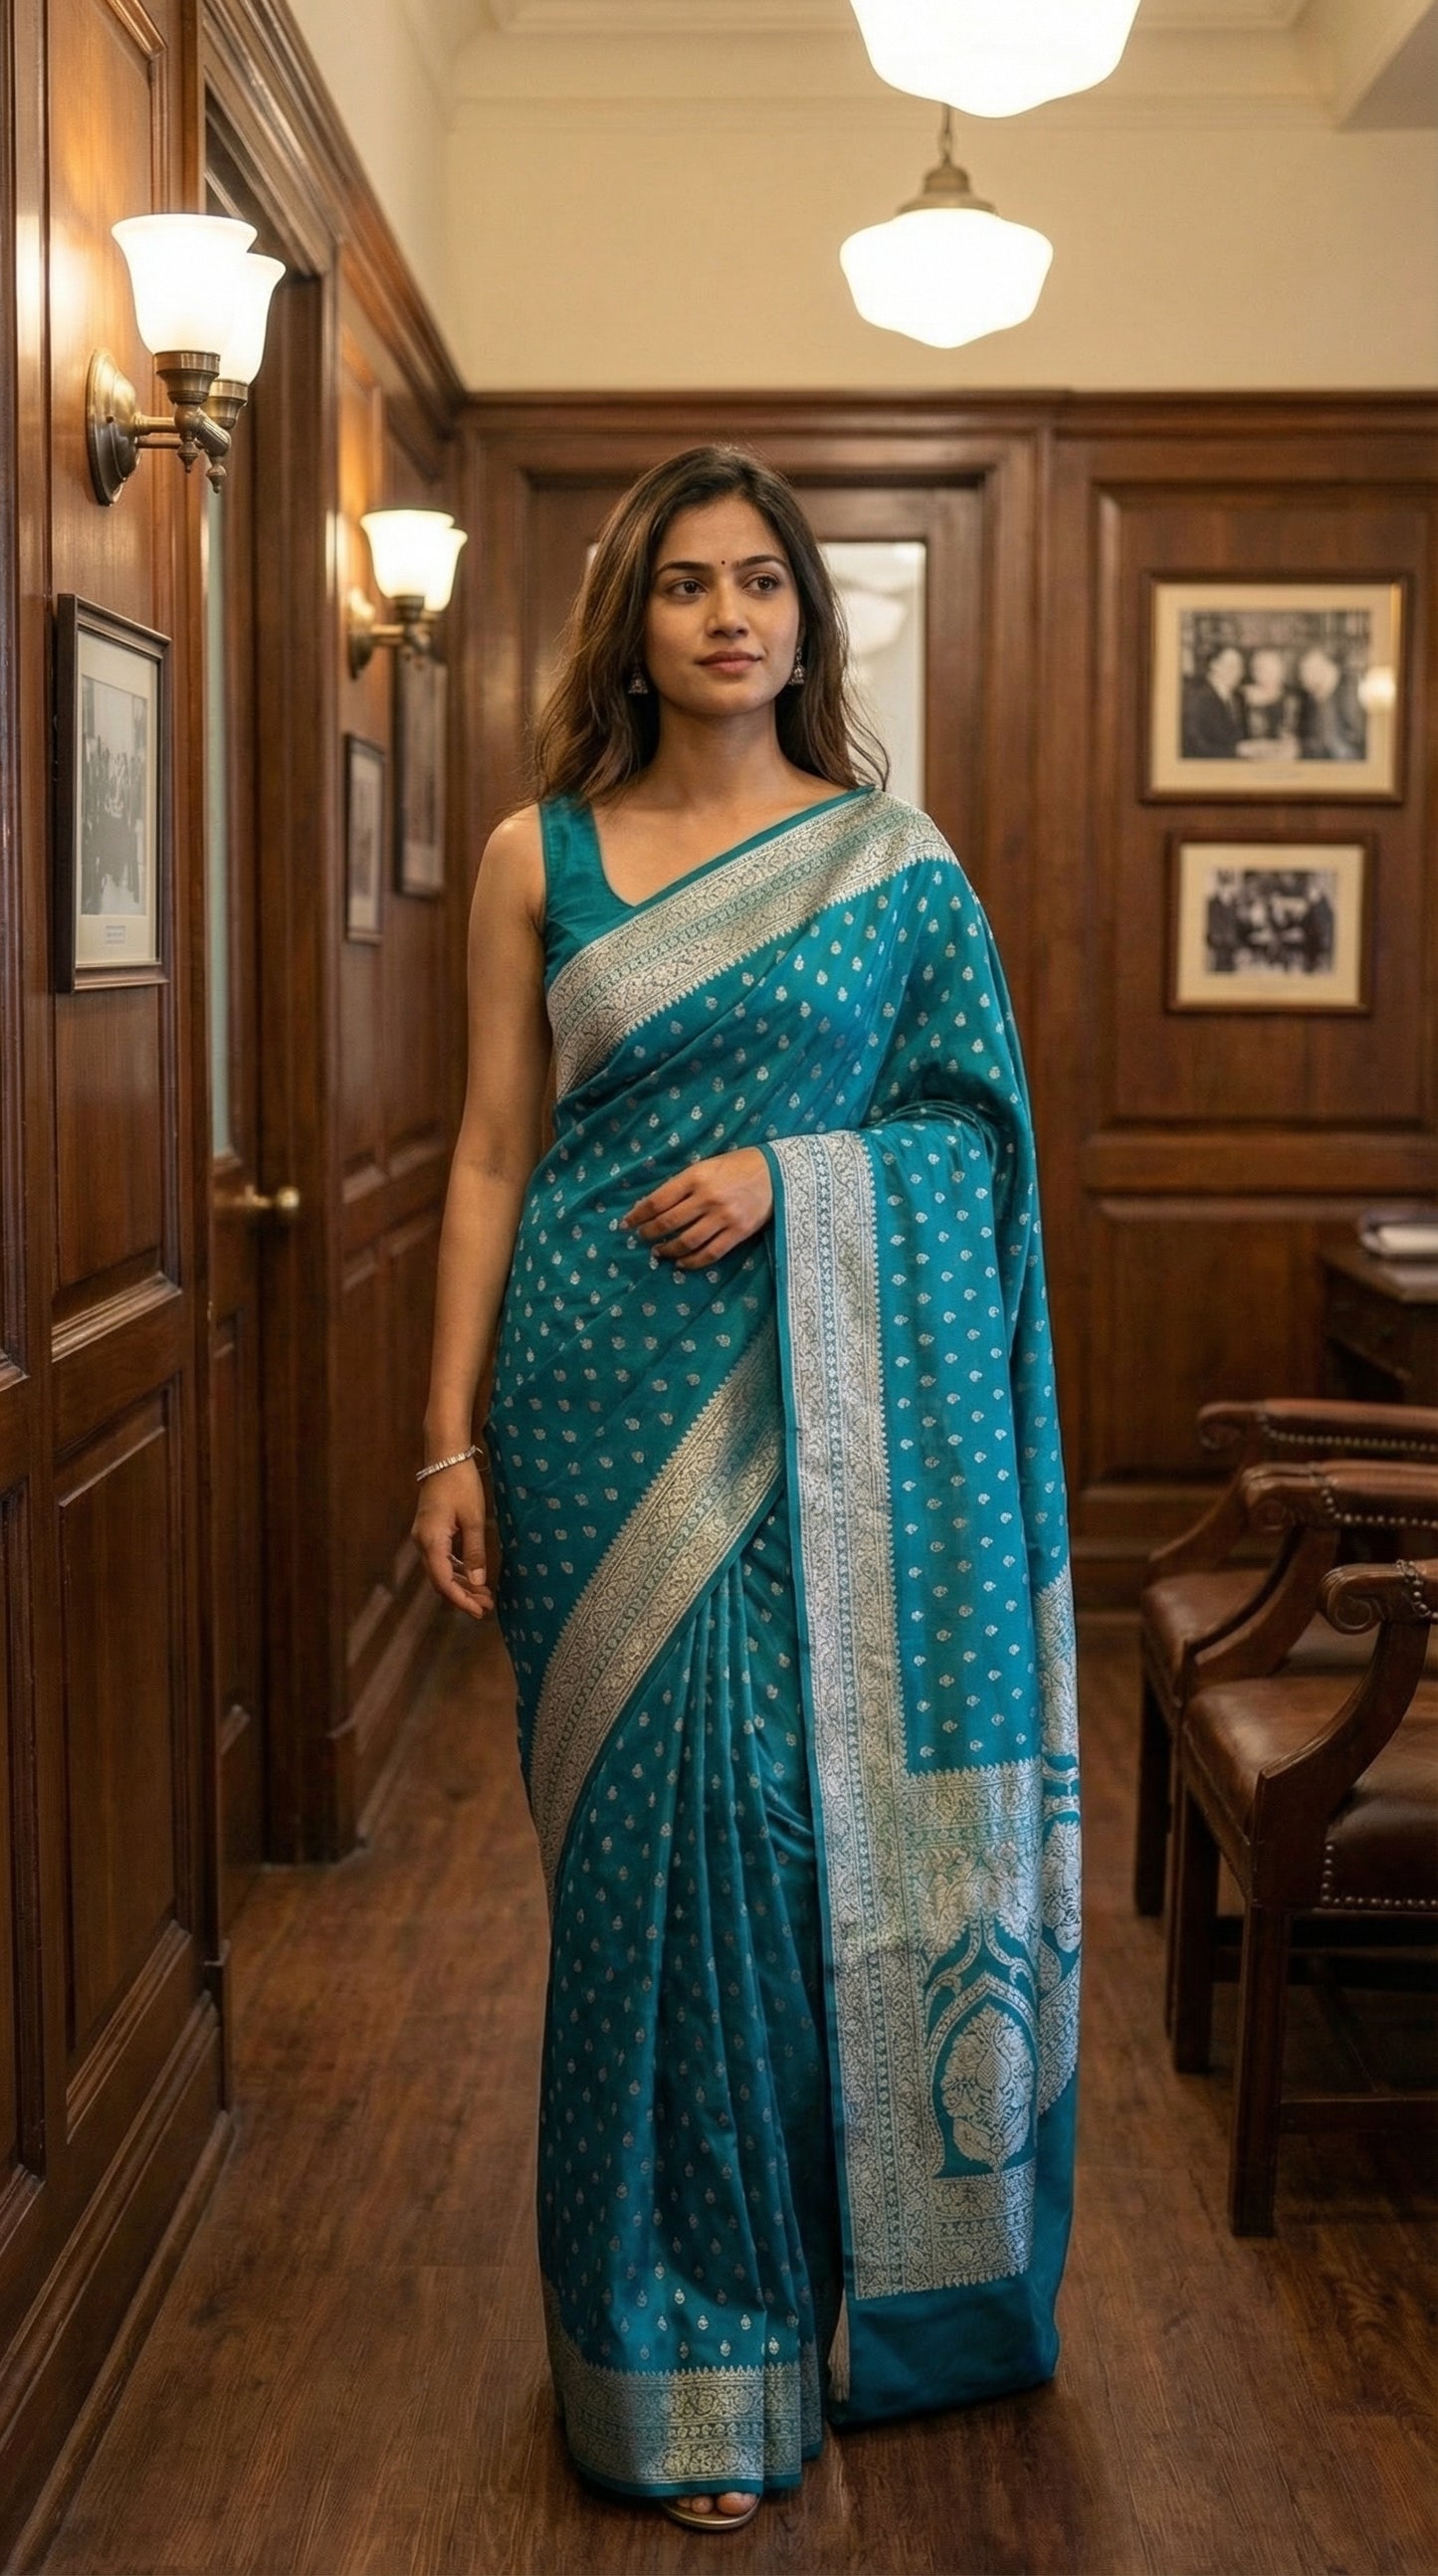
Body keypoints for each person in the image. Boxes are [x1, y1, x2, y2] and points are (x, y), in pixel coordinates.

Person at [412, 446, 1081, 2536]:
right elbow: (488, 1154)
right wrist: (441, 1435)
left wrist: (799, 1183)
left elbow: (971, 1144)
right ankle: (672, 2353)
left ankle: (807, 2299)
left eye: (758, 585)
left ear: (806, 619)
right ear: (629, 619)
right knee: (638, 1886)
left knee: (796, 1860)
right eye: (684, 583)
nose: (724, 615)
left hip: (832, 1428)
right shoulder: (540, 852)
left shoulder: (892, 863)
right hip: (587, 1401)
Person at [1181, 639, 1246, 757]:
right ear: (1214, 665)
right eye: (1231, 665)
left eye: (1240, 666)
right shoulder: (1196, 697)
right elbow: (1194, 747)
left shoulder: (1237, 697)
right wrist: (1236, 751)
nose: (1238, 672)